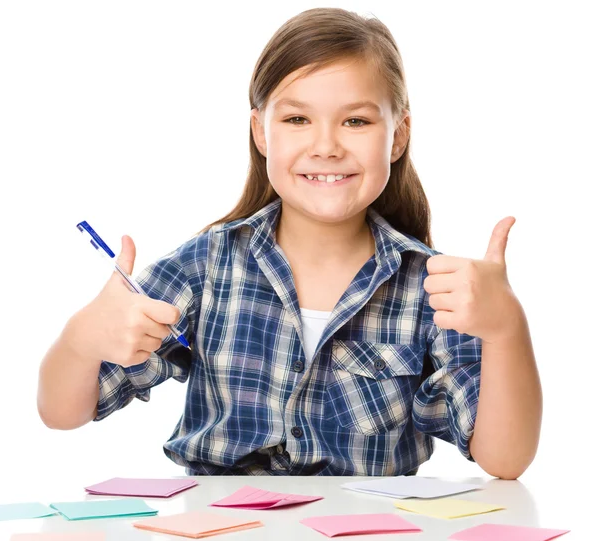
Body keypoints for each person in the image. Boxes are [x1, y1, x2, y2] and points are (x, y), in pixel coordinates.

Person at [37, 7, 542, 478]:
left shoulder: (433, 289)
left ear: (399, 134)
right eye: (297, 119)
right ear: (261, 132)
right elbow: (61, 412)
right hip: (224, 528)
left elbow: (505, 460)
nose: (326, 146)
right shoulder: (205, 267)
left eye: (357, 121)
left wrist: (506, 329)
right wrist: (83, 338)